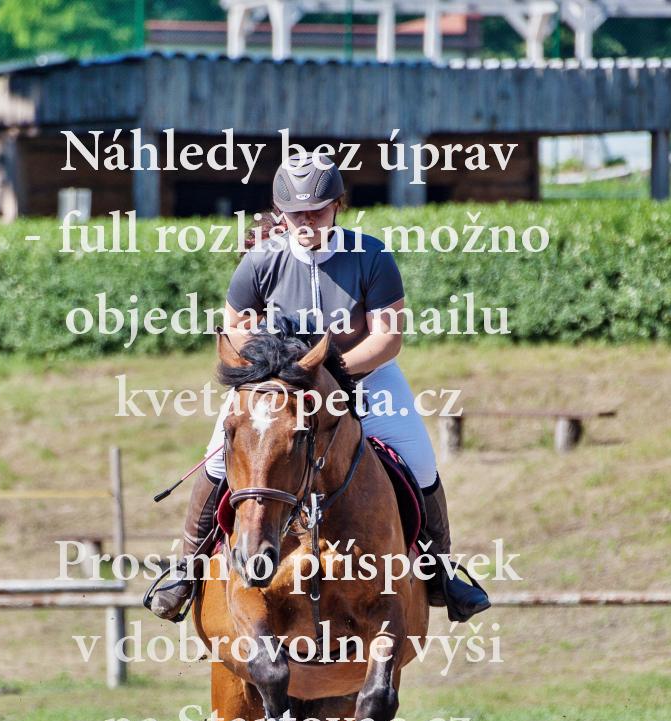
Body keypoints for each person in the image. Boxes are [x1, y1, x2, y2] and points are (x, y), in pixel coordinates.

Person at [149, 151, 490, 622]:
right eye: (296, 214)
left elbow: (387, 337)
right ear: (280, 212)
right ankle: (186, 569)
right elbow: (236, 328)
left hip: (365, 379)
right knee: (218, 458)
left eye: (316, 211)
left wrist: (332, 375)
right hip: (276, 387)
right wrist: (276, 369)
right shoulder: (262, 260)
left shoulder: (371, 255)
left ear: (337, 206)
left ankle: (440, 570)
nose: (307, 221)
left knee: (420, 459)